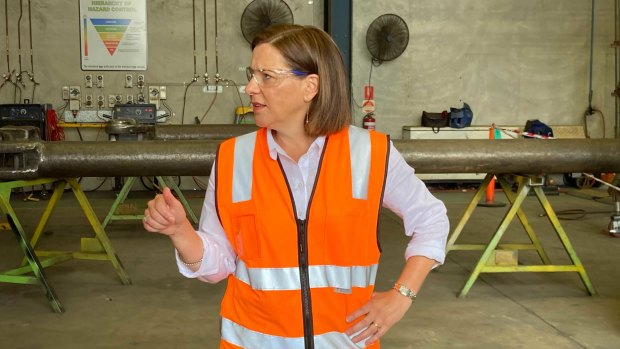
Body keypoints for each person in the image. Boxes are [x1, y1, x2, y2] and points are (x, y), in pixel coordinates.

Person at [143, 23, 449, 349]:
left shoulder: (371, 154)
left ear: (310, 87)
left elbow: (432, 220)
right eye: (251, 74)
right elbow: (216, 266)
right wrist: (180, 232)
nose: (250, 87)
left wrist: (401, 296)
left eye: (267, 77)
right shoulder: (234, 158)